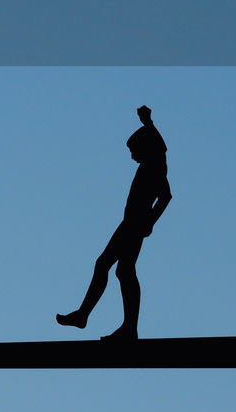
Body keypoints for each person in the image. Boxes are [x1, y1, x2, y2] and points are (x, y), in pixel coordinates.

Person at [56, 105, 172, 341]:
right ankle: (104, 321)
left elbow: (166, 194)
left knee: (112, 267)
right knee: (119, 269)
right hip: (130, 223)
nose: (131, 156)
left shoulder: (155, 165)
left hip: (134, 224)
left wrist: (150, 220)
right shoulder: (148, 166)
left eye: (133, 151)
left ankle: (112, 323)